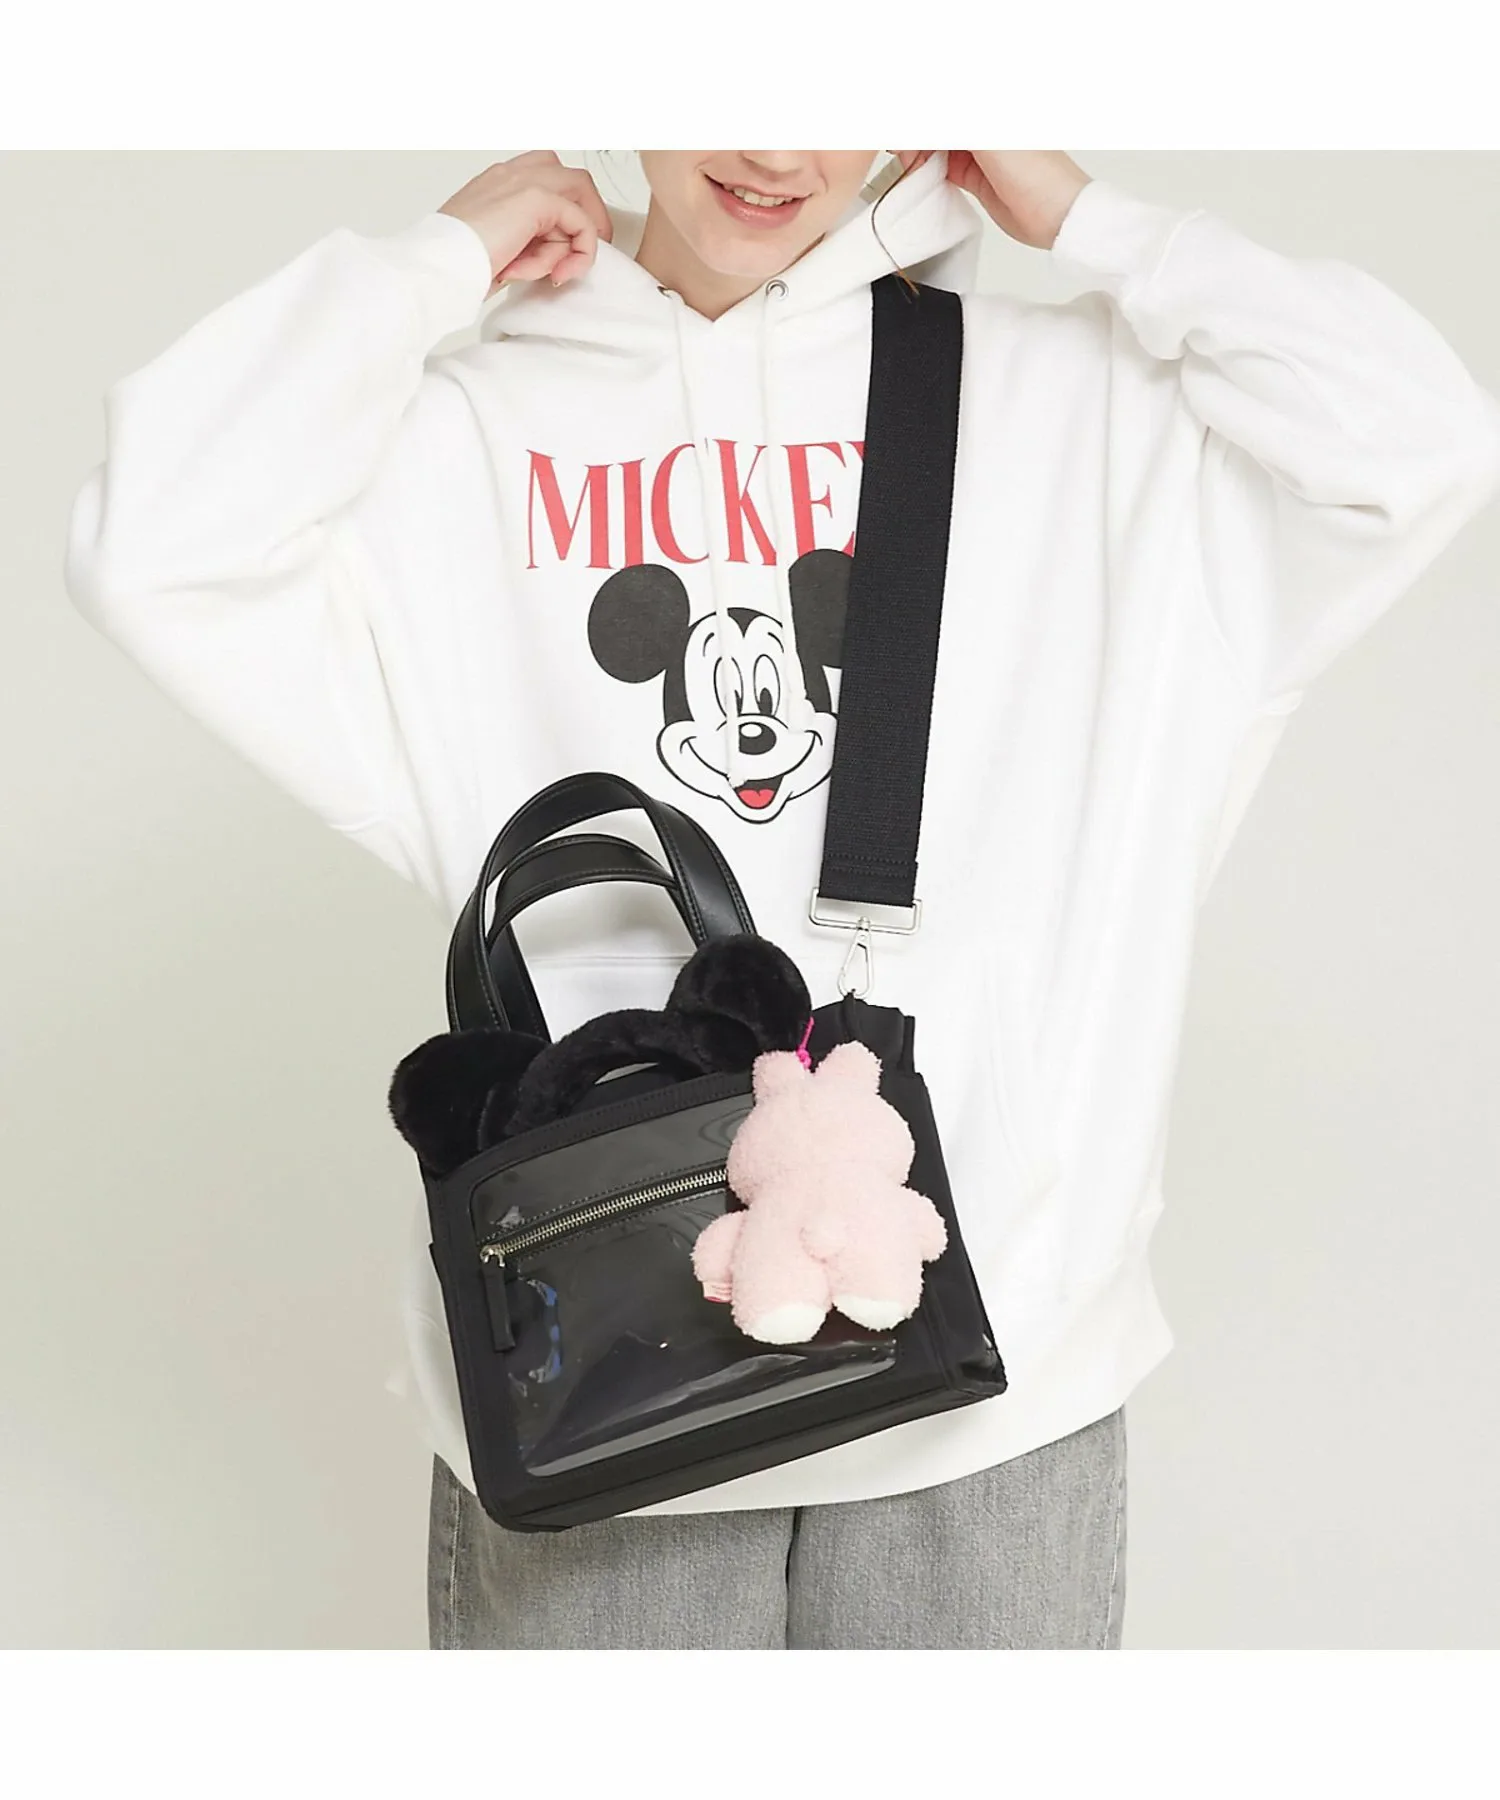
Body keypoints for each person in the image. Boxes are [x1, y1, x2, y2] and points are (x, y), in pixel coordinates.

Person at [63, 150, 1500, 1651]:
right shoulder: (461, 429)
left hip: (992, 1403)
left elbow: (1423, 442)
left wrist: (1094, 222)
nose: (774, 150)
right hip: (601, 1398)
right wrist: (431, 267)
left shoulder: (1083, 413)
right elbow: (152, 540)